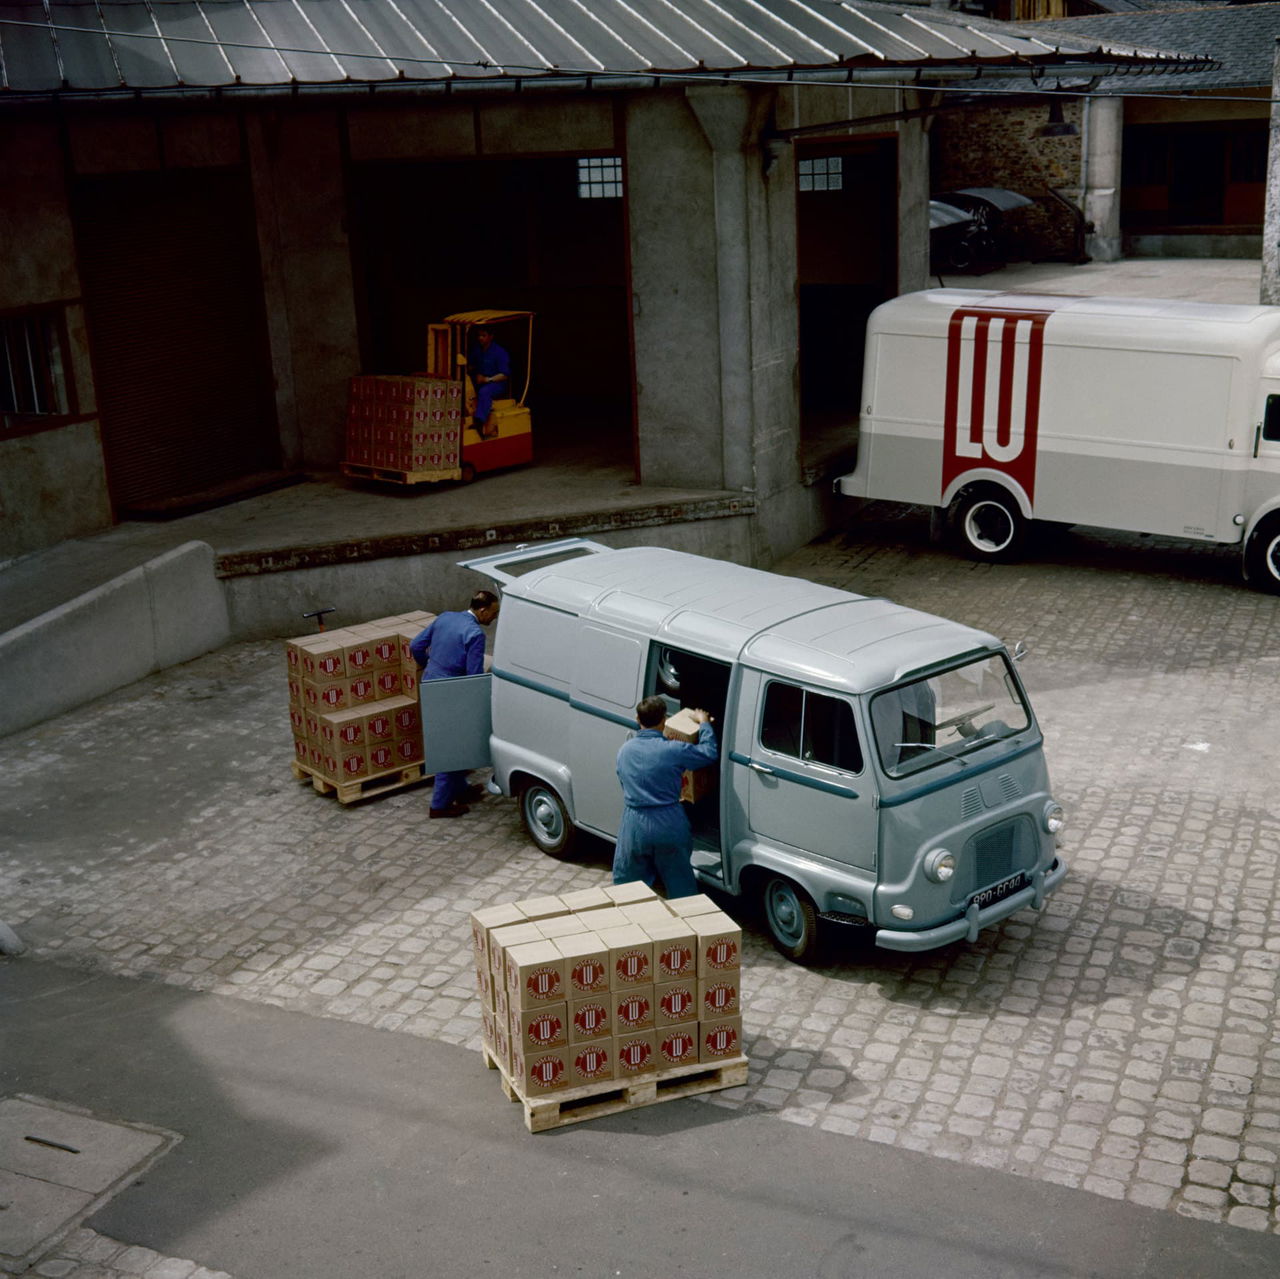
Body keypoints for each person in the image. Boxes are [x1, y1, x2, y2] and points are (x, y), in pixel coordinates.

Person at [612, 697, 718, 898]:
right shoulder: (674, 750)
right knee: (680, 884)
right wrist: (703, 723)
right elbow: (708, 753)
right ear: (664, 721)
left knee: (628, 888)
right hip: (668, 821)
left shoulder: (624, 751)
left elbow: (623, 782)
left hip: (634, 822)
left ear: (637, 719)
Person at [411, 589, 501, 818]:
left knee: (447, 742)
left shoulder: (445, 617)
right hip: (453, 693)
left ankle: (460, 788)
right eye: (493, 613)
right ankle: (439, 805)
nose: (494, 618)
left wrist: (430, 666)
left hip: (431, 684)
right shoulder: (475, 635)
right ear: (482, 610)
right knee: (452, 747)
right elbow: (472, 677)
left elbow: (415, 646)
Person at [468, 326, 509, 440]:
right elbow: (471, 365)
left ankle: (479, 422)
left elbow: (504, 375)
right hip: (481, 381)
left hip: (496, 383)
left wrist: (487, 379)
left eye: (483, 335)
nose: (480, 338)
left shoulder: (500, 352)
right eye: (479, 335)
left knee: (484, 392)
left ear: (491, 336)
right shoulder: (477, 350)